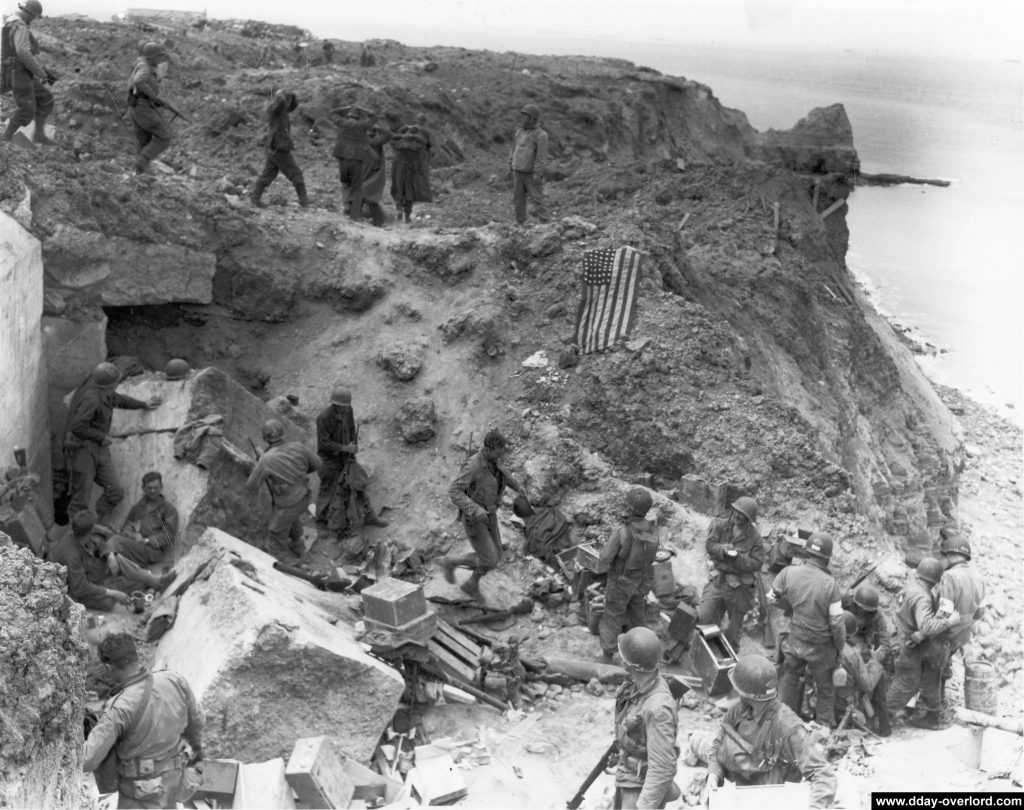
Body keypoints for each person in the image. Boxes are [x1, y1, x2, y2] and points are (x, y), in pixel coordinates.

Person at [688, 654, 837, 808]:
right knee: (699, 741)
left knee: (700, 741)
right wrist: (713, 776)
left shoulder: (788, 727)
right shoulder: (739, 710)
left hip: (770, 796)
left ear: (746, 694)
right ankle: (694, 739)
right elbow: (718, 743)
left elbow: (823, 774)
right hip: (740, 782)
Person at [83, 633, 204, 809]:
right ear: (136, 656)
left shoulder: (119, 708)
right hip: (174, 780)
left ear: (108, 668)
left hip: (140, 794)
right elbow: (198, 722)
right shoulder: (174, 680)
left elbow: (88, 760)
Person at [66, 362, 161, 522]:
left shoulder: (107, 395)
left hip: (100, 453)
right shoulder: (92, 400)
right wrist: (100, 437)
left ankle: (97, 522)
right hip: (84, 454)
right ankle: (78, 532)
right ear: (111, 384)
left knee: (114, 491)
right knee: (81, 498)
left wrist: (143, 404)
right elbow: (77, 426)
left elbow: (122, 400)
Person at [767, 531, 845, 726]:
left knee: (789, 678)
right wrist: (839, 648)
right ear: (826, 559)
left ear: (807, 552)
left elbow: (771, 598)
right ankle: (823, 729)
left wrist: (791, 607)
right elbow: (837, 623)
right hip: (821, 650)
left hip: (795, 641)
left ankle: (782, 725)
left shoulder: (788, 572)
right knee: (826, 689)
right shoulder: (831, 585)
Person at [441, 429, 529, 600]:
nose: (500, 456)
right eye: (497, 453)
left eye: (501, 453)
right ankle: (451, 562)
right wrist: (475, 509)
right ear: (487, 449)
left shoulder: (493, 459)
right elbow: (454, 491)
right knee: (489, 559)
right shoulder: (473, 467)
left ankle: (471, 585)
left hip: (490, 514)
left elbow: (503, 473)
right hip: (474, 518)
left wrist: (517, 486)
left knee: (496, 556)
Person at [886, 557, 961, 730]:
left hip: (900, 638)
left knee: (907, 680)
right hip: (908, 645)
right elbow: (926, 625)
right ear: (935, 579)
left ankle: (889, 712)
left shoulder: (910, 587)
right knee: (906, 682)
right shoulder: (923, 597)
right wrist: (949, 622)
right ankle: (884, 714)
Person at [47, 511, 175, 611]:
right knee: (109, 601)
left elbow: (103, 538)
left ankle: (156, 581)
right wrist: (113, 593)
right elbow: (80, 588)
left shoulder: (78, 534)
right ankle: (138, 583)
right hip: (72, 591)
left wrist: (109, 554)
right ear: (89, 532)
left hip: (88, 574)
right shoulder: (71, 556)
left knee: (117, 559)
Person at [612, 627, 679, 809]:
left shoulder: (658, 708)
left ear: (628, 665)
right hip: (628, 771)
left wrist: (644, 806)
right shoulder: (637, 686)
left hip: (642, 784)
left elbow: (663, 767)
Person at [596, 487, 659, 662]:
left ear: (629, 507)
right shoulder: (652, 530)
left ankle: (608, 656)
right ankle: (644, 653)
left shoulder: (622, 531)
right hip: (641, 581)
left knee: (613, 616)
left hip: (620, 582)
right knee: (637, 617)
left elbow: (604, 558)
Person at [314, 386, 388, 537]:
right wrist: (344, 447)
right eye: (339, 406)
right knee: (328, 490)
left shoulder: (348, 410)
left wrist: (353, 446)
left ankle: (370, 516)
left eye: (345, 406)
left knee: (358, 484)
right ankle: (321, 521)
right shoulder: (323, 418)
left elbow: (351, 428)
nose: (343, 409)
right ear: (334, 404)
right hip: (329, 459)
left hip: (346, 455)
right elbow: (324, 444)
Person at [246, 418, 322, 557]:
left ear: (266, 438)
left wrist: (260, 465)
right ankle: (297, 544)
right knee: (290, 517)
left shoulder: (266, 460)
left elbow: (251, 485)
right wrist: (298, 473)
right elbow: (317, 464)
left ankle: (282, 561)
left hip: (288, 502)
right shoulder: (298, 447)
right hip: (304, 496)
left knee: (276, 530)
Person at [698, 496, 764, 651]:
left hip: (739, 588)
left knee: (733, 632)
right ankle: (706, 650)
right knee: (705, 618)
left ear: (749, 519)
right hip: (718, 581)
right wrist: (722, 549)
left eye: (741, 514)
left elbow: (757, 564)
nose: (736, 515)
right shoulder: (722, 525)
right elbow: (710, 545)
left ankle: (729, 655)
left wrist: (737, 558)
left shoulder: (755, 538)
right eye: (735, 511)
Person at [1, 0, 57, 146]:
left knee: (45, 98)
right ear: (29, 13)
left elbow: (17, 53)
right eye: (34, 16)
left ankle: (38, 134)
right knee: (27, 108)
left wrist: (41, 70)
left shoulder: (12, 22)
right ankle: (5, 140)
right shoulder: (19, 25)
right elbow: (22, 52)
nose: (34, 19)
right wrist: (40, 72)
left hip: (20, 70)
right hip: (16, 72)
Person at [839, 585, 892, 735]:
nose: (864, 613)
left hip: (860, 646)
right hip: (841, 638)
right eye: (861, 609)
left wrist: (876, 657)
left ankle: (877, 720)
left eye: (868, 611)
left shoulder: (877, 616)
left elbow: (885, 643)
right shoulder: (844, 600)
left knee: (879, 677)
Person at [97, 471, 179, 567]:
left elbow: (168, 535)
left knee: (116, 541)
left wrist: (146, 540)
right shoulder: (138, 508)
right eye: (149, 488)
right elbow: (127, 526)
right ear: (143, 488)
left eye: (156, 488)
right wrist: (126, 533)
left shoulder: (169, 510)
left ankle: (101, 564)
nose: (153, 491)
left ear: (161, 487)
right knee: (107, 537)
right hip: (135, 546)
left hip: (154, 551)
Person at [251, 89, 309, 208]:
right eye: (288, 101)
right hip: (278, 148)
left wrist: (292, 96)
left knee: (268, 174)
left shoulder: (282, 112)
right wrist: (281, 95)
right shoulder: (274, 110)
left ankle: (255, 199)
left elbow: (292, 106)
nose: (288, 103)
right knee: (296, 173)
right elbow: (281, 104)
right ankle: (304, 201)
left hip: (275, 148)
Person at [126, 41, 173, 174]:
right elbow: (139, 81)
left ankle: (139, 172)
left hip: (136, 107)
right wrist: (153, 97)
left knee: (144, 141)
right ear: (152, 57)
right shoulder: (145, 68)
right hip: (143, 109)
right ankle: (143, 161)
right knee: (164, 137)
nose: (161, 60)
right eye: (160, 57)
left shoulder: (143, 66)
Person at [331, 105, 376, 220]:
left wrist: (344, 108)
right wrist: (364, 109)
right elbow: (374, 117)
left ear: (348, 116)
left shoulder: (342, 122)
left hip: (343, 157)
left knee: (345, 183)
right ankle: (355, 215)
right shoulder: (362, 125)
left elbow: (332, 113)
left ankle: (346, 206)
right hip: (357, 158)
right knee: (357, 188)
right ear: (357, 118)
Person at [508, 103, 548, 224]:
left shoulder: (541, 135)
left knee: (537, 198)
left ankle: (546, 222)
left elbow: (541, 157)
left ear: (532, 118)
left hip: (531, 173)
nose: (522, 118)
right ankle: (520, 223)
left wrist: (538, 173)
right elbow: (513, 149)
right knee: (518, 199)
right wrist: (510, 164)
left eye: (525, 116)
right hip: (517, 170)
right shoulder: (519, 132)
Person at [390, 125, 432, 224]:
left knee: (398, 190)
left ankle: (399, 210)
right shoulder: (416, 146)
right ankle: (407, 215)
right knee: (409, 193)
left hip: (398, 170)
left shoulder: (397, 144)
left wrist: (403, 130)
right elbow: (424, 141)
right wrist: (415, 135)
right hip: (410, 171)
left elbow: (392, 137)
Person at [361, 124, 391, 226]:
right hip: (370, 171)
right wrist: (379, 128)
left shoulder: (363, 139)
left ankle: (357, 217)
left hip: (366, 171)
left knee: (364, 195)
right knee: (369, 197)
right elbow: (388, 135)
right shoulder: (374, 141)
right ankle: (378, 222)